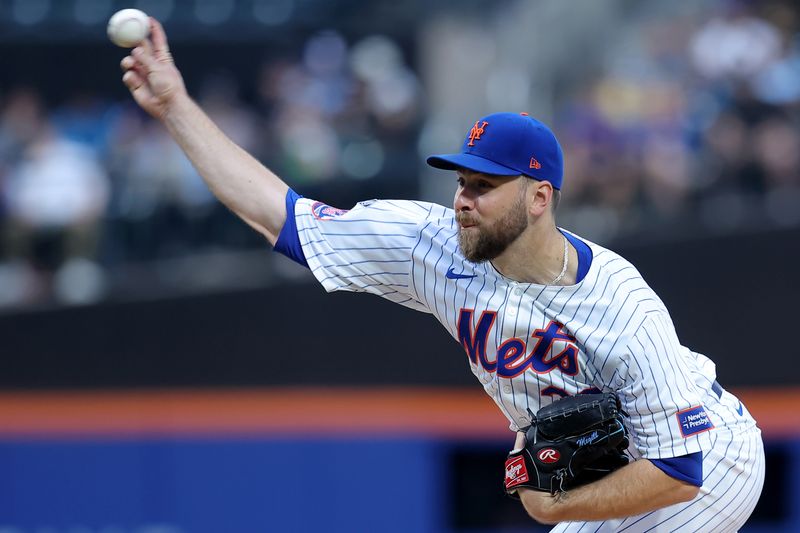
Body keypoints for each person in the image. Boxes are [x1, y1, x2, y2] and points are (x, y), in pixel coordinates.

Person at [119, 19, 765, 531]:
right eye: (460, 181)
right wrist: (175, 105)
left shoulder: (620, 305)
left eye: (483, 185)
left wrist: (550, 507)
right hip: (642, 465)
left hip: (713, 457)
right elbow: (278, 215)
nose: (463, 198)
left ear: (539, 198)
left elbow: (681, 467)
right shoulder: (433, 245)